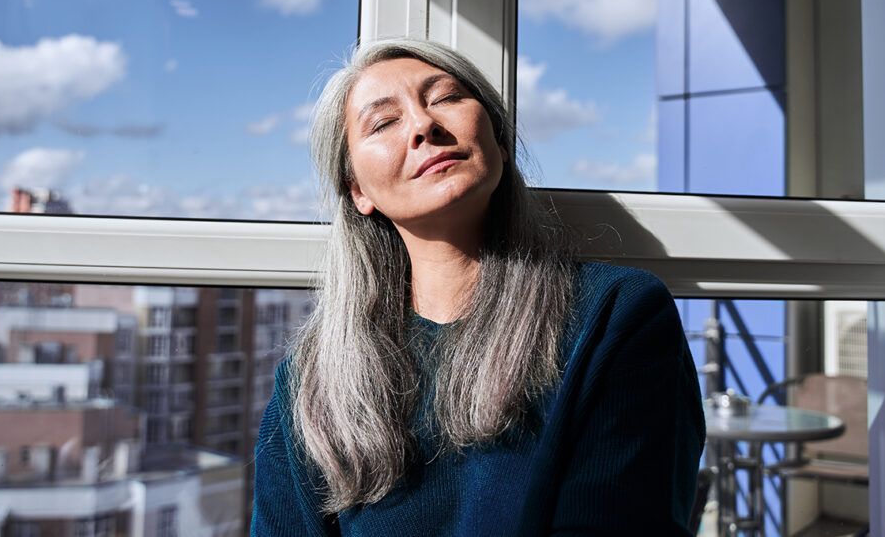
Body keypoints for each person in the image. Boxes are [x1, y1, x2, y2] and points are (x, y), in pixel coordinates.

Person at [252, 38, 705, 536]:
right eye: (383, 123)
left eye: (445, 97)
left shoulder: (615, 314)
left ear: (498, 138)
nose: (424, 125)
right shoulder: (313, 381)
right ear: (358, 190)